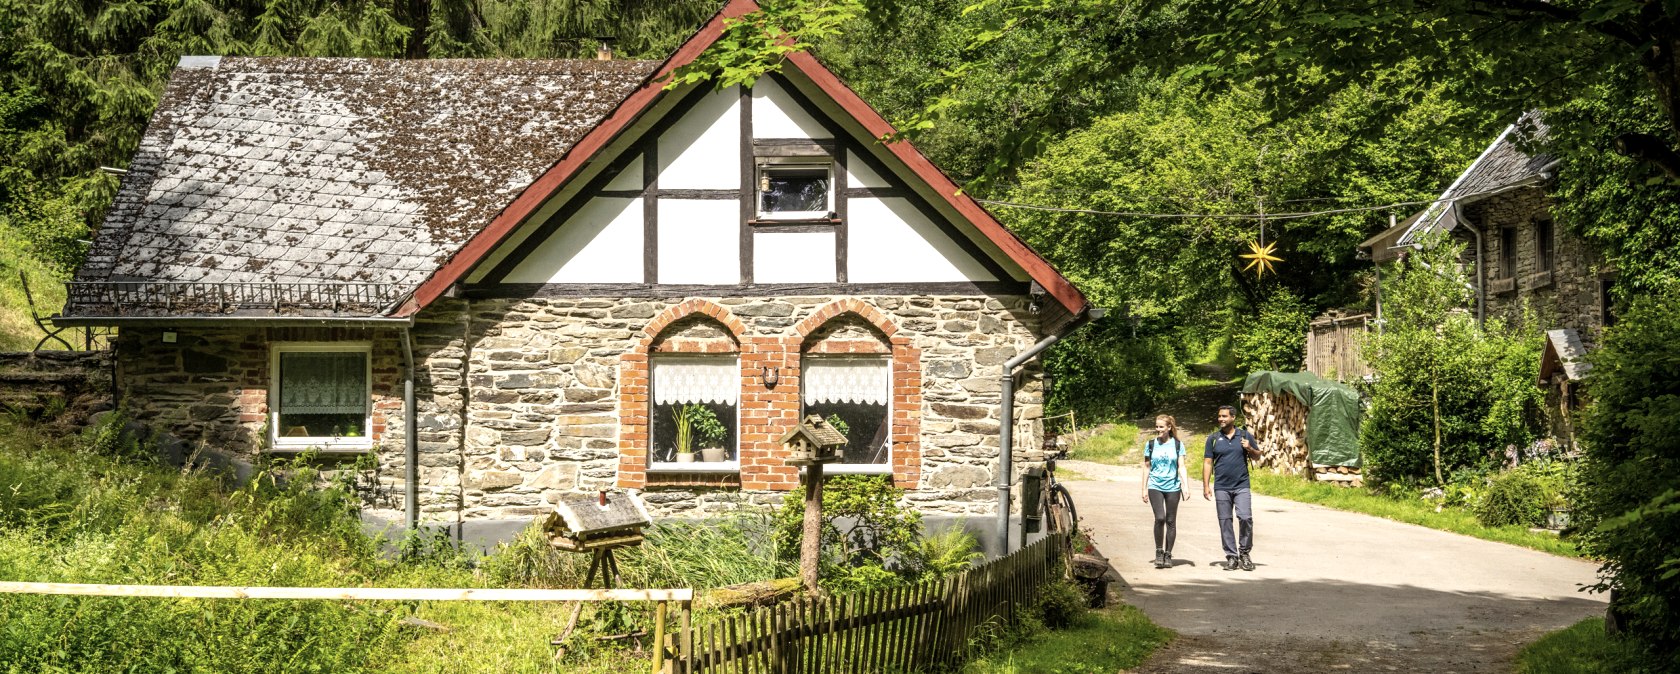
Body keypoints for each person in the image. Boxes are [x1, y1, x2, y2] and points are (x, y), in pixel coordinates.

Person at [1203, 404, 1262, 571]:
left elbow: (1258, 456)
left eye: (1224, 416)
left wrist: (1249, 448)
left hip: (1241, 485)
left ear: (1233, 418)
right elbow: (1208, 462)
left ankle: (1244, 553)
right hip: (1221, 486)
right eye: (1220, 416)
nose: (1221, 419)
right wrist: (1206, 485)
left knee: (1245, 517)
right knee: (1225, 521)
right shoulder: (1213, 439)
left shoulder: (1244, 436)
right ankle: (1231, 556)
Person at [1140, 414, 1189, 569]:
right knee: (1160, 518)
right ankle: (1159, 551)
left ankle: (1168, 554)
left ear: (1169, 427)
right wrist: (1144, 488)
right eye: (1157, 426)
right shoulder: (1151, 444)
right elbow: (1146, 467)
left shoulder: (1177, 445)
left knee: (1171, 520)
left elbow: (1181, 466)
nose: (1158, 429)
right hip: (1155, 485)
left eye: (1161, 427)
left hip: (1173, 487)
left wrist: (1185, 486)